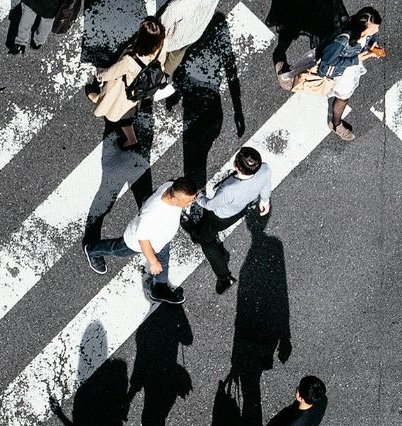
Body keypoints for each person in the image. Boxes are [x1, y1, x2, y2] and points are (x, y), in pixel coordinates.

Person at [86, 176, 198, 305]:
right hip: (135, 243)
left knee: (163, 260)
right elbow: (143, 240)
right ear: (173, 199)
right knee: (117, 249)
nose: (190, 203)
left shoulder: (170, 186)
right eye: (188, 201)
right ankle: (92, 250)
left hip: (160, 239)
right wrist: (153, 262)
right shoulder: (153, 214)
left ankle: (159, 290)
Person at [282, 7, 383, 141]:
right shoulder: (342, 40)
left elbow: (372, 36)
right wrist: (356, 59)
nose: (376, 31)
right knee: (343, 98)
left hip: (349, 66)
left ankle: (336, 123)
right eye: (373, 29)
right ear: (361, 28)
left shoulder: (363, 30)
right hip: (341, 71)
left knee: (343, 97)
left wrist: (371, 44)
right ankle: (336, 124)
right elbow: (326, 64)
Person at [185, 146, 274, 292]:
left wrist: (198, 197)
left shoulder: (229, 190)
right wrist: (265, 200)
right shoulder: (264, 169)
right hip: (239, 210)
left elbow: (210, 205)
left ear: (236, 166)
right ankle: (200, 233)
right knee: (204, 230)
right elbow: (266, 182)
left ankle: (224, 277)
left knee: (206, 240)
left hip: (218, 217)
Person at [89, 18, 167, 149]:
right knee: (127, 112)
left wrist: (99, 73)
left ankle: (130, 139)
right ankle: (131, 138)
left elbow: (111, 73)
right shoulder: (161, 47)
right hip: (140, 89)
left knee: (119, 111)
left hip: (123, 92)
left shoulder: (131, 60)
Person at [155, 0, 220, 87]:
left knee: (159, 53)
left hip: (174, 38)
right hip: (194, 32)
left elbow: (162, 27)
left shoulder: (177, 7)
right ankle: (166, 76)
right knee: (177, 55)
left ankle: (155, 75)